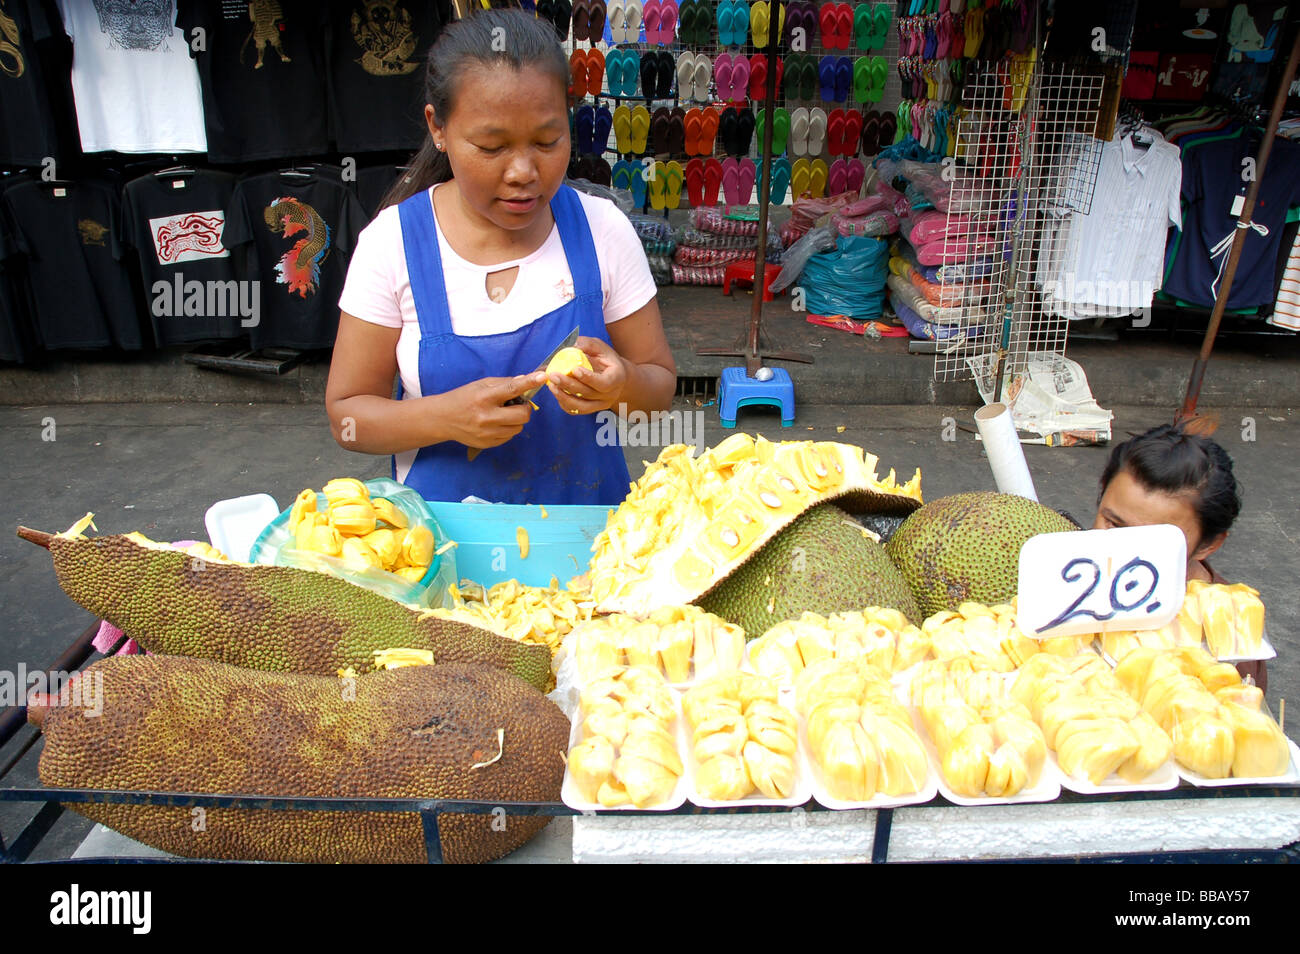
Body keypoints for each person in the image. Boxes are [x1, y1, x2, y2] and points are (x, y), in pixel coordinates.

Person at [327, 8, 675, 506]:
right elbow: (347, 418)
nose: (522, 172)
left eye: (547, 141)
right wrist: (446, 417)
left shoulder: (602, 230)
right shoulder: (393, 246)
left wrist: (621, 386)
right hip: (445, 554)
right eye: (491, 147)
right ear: (439, 128)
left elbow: (659, 392)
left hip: (593, 548)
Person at [1093, 420, 1265, 692]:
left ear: (1207, 545)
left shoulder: (1228, 642)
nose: (1124, 550)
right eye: (1113, 524)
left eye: (1155, 541)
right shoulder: (1062, 578)